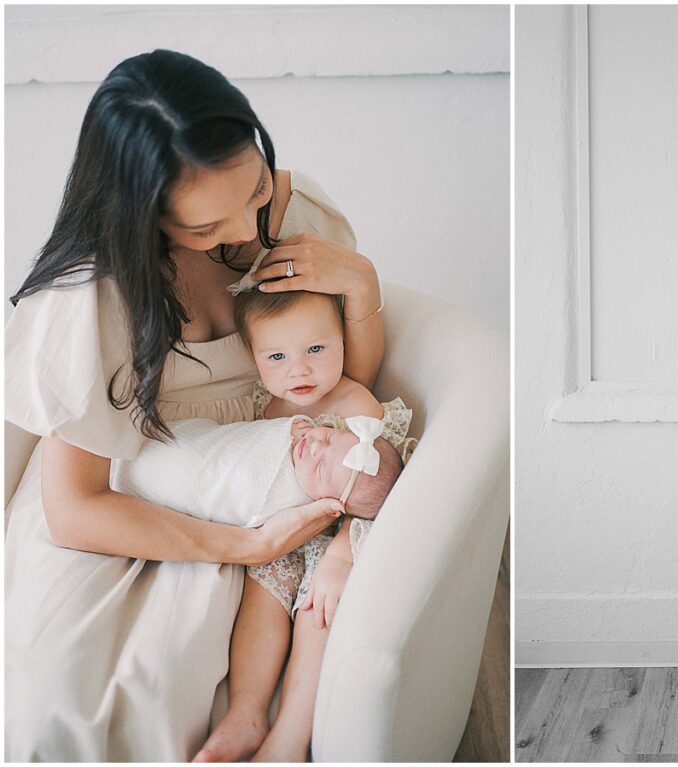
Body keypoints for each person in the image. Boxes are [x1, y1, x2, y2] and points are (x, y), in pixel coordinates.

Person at [4, 49, 385, 760]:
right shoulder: (92, 293)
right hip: (133, 496)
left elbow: (344, 389)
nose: (246, 229)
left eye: (253, 189)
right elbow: (76, 508)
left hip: (274, 463)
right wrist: (246, 544)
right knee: (83, 702)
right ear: (142, 217)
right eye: (207, 228)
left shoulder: (288, 214)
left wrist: (361, 289)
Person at [194, 285, 412, 761]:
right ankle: (247, 711)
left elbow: (383, 493)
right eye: (276, 356)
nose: (299, 369)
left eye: (316, 349)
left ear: (342, 342)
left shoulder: (358, 409)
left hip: (337, 537)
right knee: (263, 599)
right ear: (253, 358)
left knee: (318, 611)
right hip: (281, 536)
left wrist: (341, 555)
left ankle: (289, 737)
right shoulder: (262, 405)